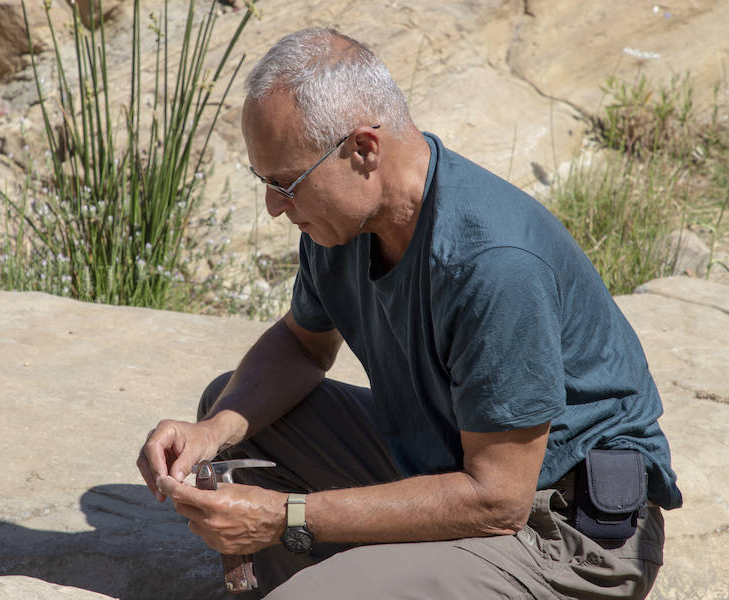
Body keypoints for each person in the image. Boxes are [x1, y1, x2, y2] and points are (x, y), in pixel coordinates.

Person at [137, 27, 682, 599]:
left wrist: (287, 517)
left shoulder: (494, 263)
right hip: (452, 461)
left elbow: (498, 498)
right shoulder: (338, 226)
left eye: (286, 183)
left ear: (364, 150)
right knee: (236, 419)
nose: (275, 207)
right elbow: (302, 346)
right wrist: (211, 431)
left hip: (565, 531)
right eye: (265, 183)